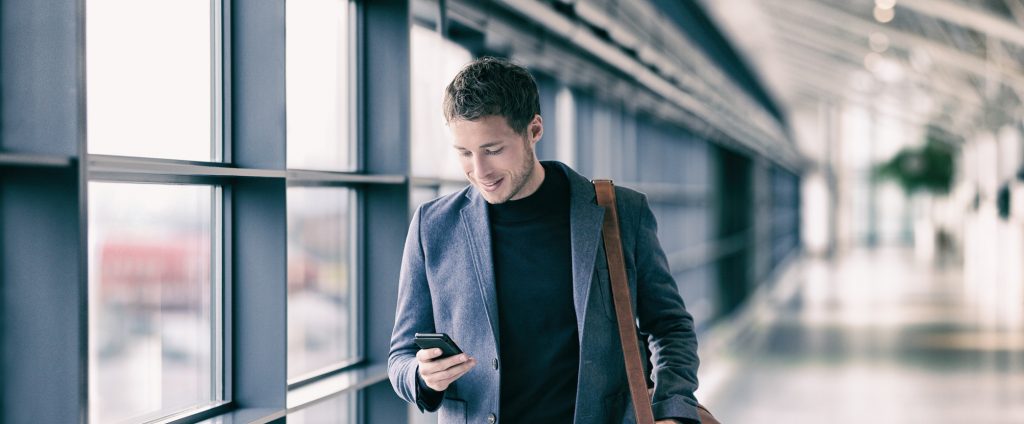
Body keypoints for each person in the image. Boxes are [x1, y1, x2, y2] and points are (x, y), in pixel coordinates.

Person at [388, 56, 702, 424]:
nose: (480, 170)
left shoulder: (620, 213)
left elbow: (670, 327)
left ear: (534, 130)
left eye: (493, 150)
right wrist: (423, 377)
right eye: (464, 153)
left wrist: (673, 411)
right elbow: (400, 358)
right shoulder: (433, 227)